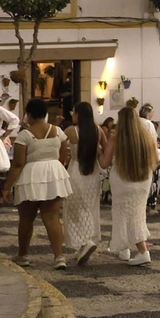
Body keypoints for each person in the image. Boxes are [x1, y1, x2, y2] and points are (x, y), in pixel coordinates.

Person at [6, 98, 73, 270]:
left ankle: (23, 255)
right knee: (52, 218)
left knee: (27, 218)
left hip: (31, 174)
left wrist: (7, 186)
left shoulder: (25, 135)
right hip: (53, 171)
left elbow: (18, 163)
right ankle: (59, 256)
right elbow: (63, 153)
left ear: (30, 115)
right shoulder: (58, 131)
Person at [106, 103, 155, 265]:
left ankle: (142, 251)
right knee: (137, 214)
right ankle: (125, 247)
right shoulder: (146, 138)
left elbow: (105, 161)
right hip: (142, 180)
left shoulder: (116, 138)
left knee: (123, 214)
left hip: (122, 180)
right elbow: (155, 160)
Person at [61, 102, 100, 265]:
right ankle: (84, 244)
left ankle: (86, 241)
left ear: (78, 114)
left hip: (76, 170)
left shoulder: (71, 130)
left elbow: (58, 144)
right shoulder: (97, 129)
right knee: (89, 207)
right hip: (93, 171)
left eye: (73, 112)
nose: (72, 115)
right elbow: (104, 148)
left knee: (75, 208)